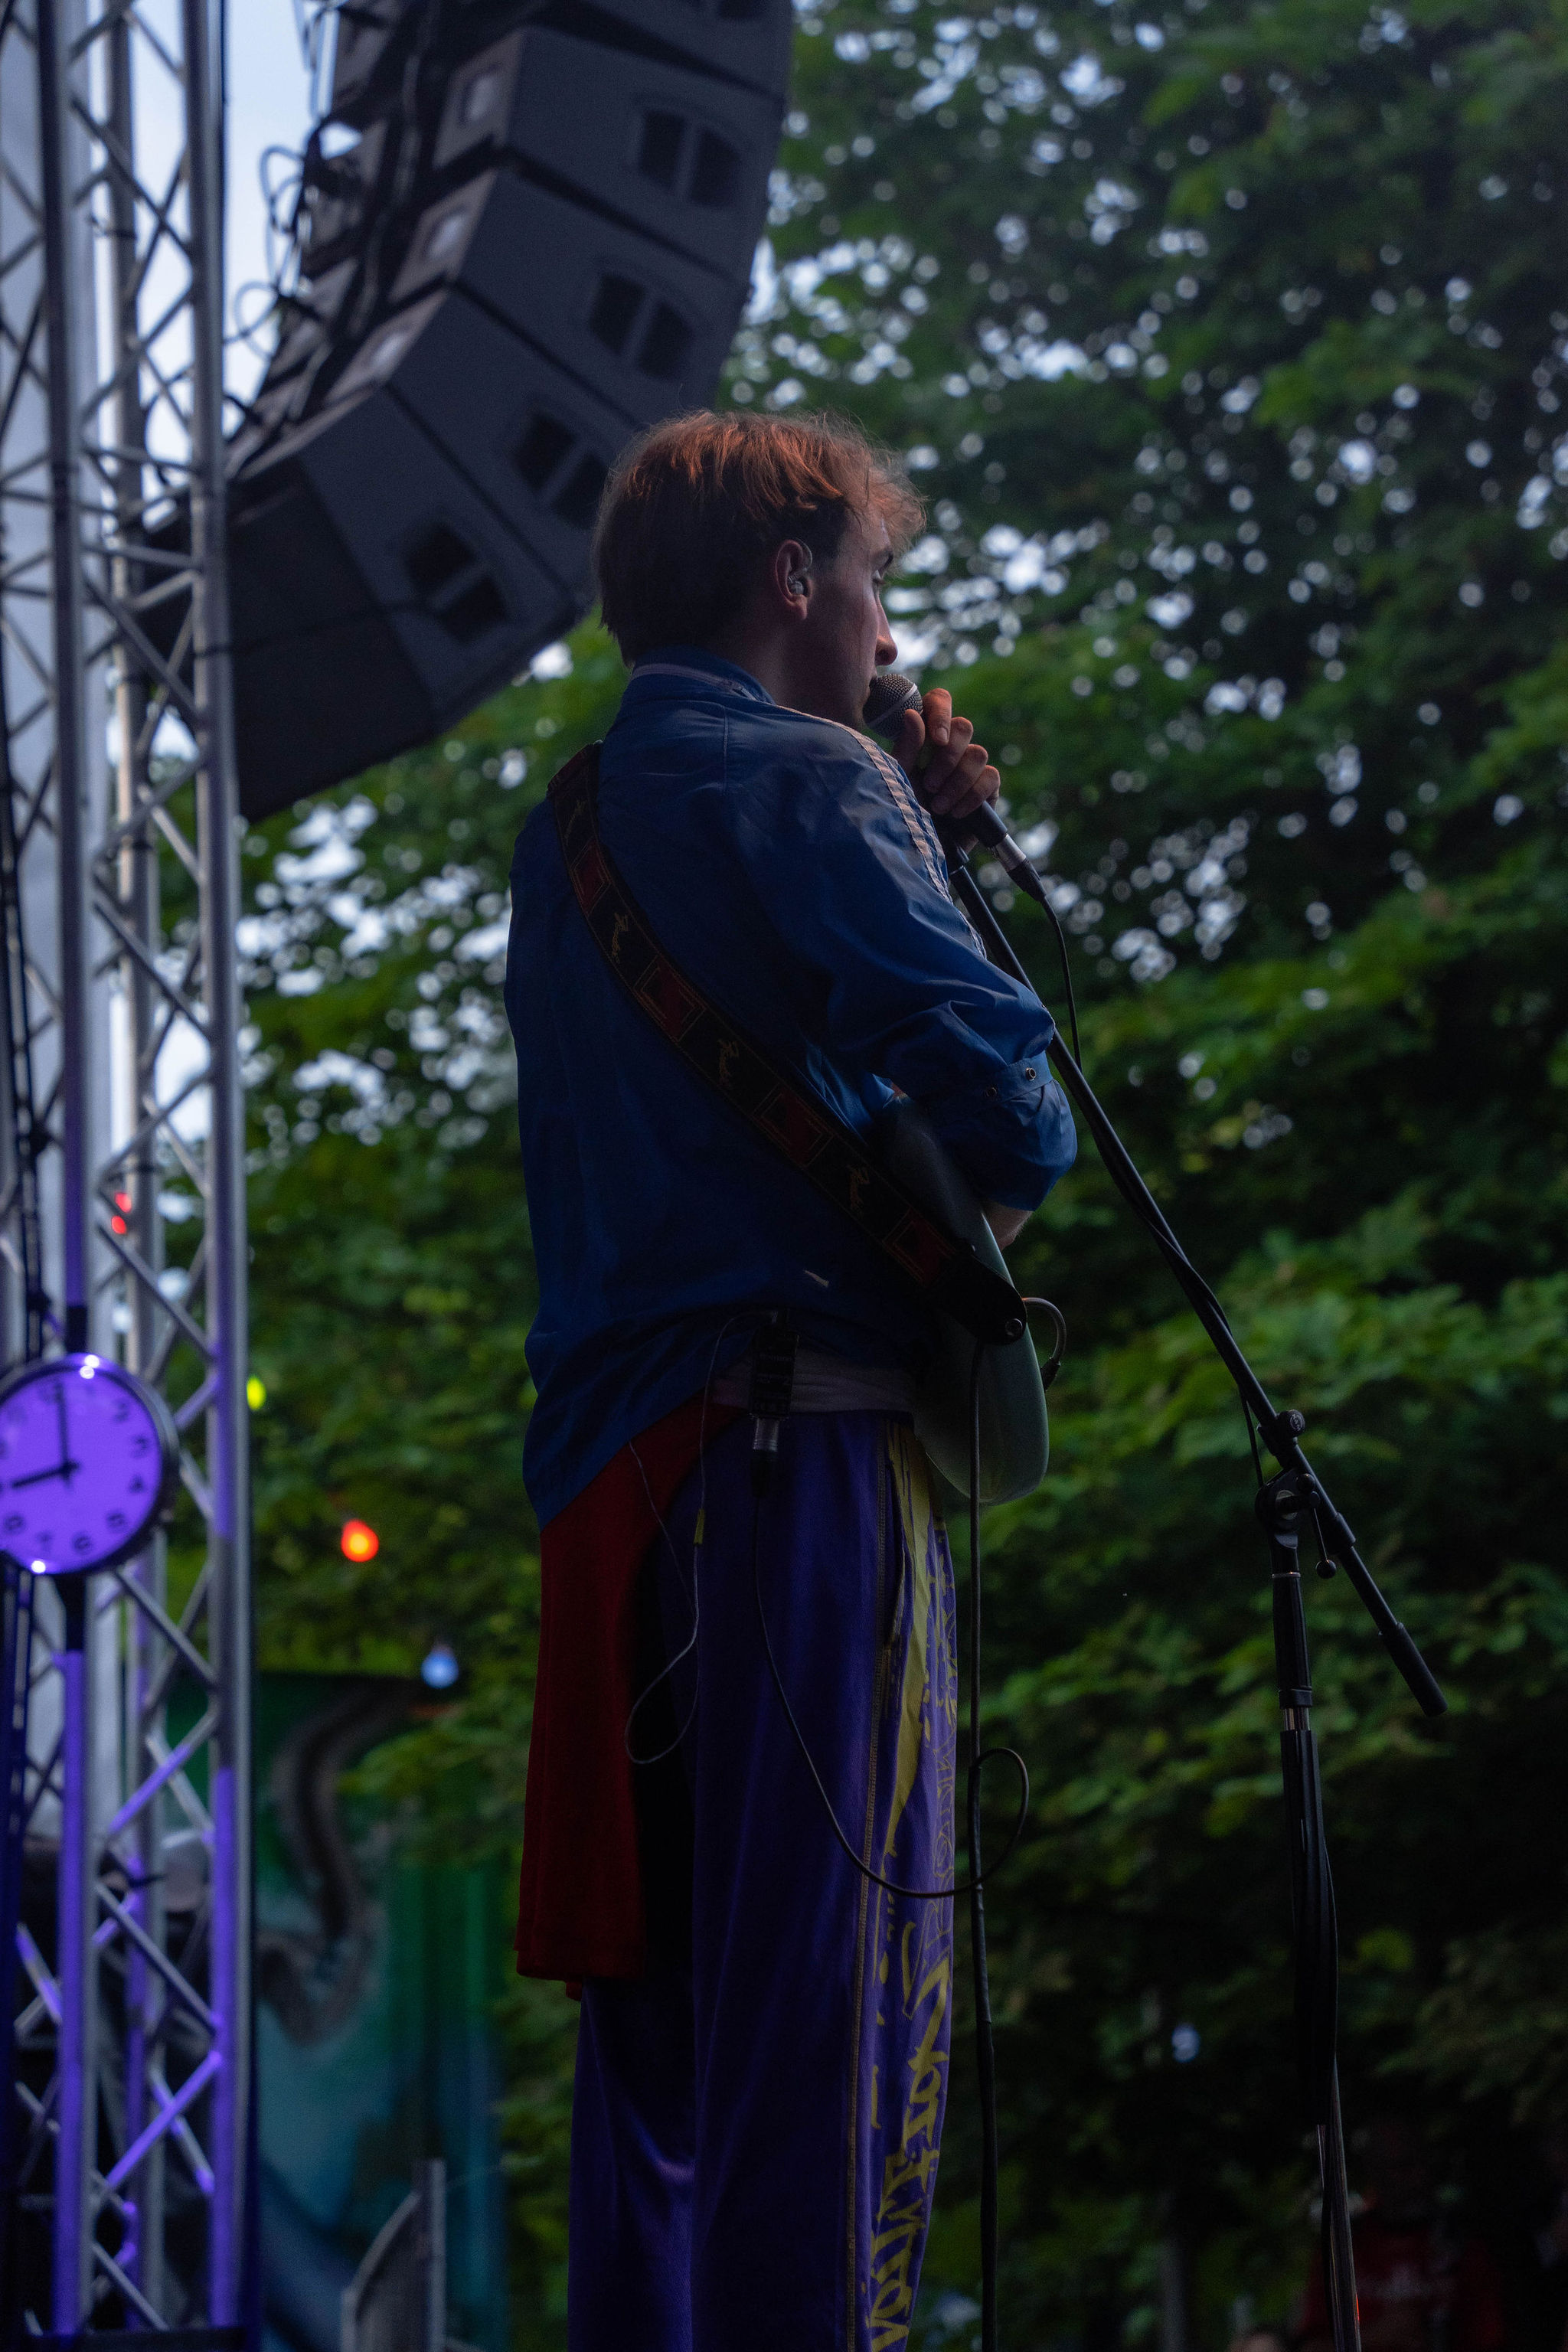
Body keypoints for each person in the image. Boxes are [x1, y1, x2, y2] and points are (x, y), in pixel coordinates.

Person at [503, 410, 1076, 2351]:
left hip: (615, 1491)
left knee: (656, 2073)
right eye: (874, 580)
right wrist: (913, 824)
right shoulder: (812, 780)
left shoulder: (567, 824)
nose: (888, 627)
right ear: (791, 577)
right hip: (798, 1460)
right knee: (828, 2028)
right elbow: (1010, 1103)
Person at [1296, 2114, 1506, 2352]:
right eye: (1401, 2165)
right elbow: (1310, 2345)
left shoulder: (1463, 2244)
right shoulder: (1345, 2247)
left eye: (1422, 2161)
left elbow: (1492, 2336)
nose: (1417, 2176)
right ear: (1373, 2170)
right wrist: (1378, 2335)